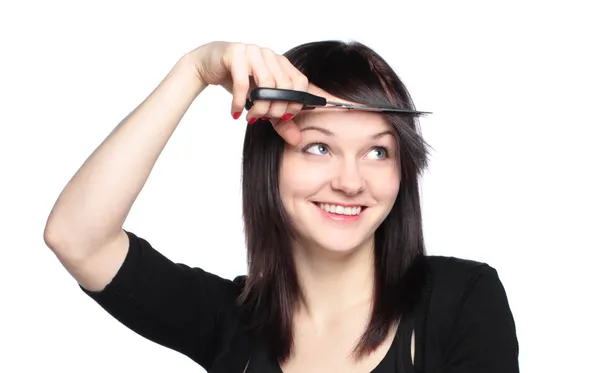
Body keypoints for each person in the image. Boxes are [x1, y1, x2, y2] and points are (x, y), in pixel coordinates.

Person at [43, 40, 519, 373]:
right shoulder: (231, 321)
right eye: (318, 147)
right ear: (268, 164)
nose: (350, 182)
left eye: (378, 151)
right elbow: (77, 238)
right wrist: (194, 70)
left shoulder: (463, 300)